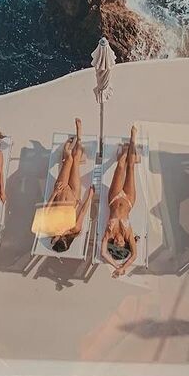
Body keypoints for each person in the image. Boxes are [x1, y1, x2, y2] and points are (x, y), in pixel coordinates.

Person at [45, 117, 94, 254]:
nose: (54, 238)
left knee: (69, 160)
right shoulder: (75, 230)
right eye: (56, 240)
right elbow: (83, 212)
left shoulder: (51, 228)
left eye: (53, 240)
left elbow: (46, 209)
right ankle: (79, 136)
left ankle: (67, 150)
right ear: (64, 241)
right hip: (74, 195)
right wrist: (90, 196)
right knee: (75, 161)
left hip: (60, 192)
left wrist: (54, 193)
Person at [100, 123, 141, 278]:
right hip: (129, 200)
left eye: (116, 245)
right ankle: (133, 139)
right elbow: (134, 256)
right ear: (125, 244)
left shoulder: (108, 235)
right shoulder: (129, 234)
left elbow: (103, 253)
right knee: (131, 168)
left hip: (114, 198)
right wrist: (123, 267)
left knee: (120, 166)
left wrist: (115, 266)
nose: (118, 242)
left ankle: (125, 152)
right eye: (122, 245)